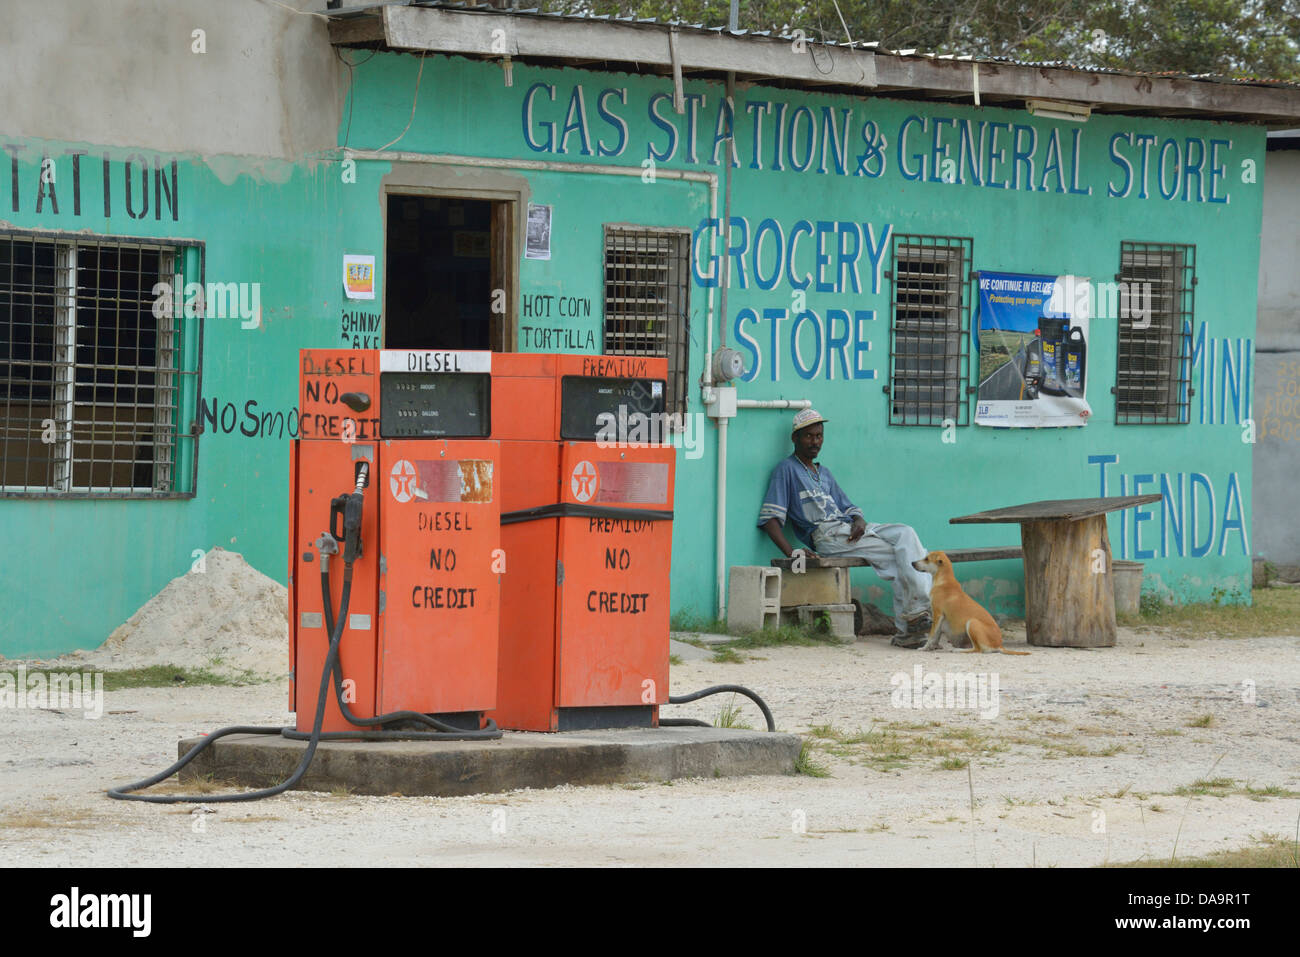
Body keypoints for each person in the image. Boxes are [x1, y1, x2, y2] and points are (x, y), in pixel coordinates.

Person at [757, 408, 933, 648]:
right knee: (900, 555)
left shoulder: (824, 473)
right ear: (795, 438)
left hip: (849, 531)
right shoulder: (786, 470)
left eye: (819, 436)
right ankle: (918, 613)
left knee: (905, 536)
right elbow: (770, 519)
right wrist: (792, 552)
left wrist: (859, 520)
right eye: (808, 436)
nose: (815, 441)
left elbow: (849, 507)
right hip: (828, 536)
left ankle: (909, 629)